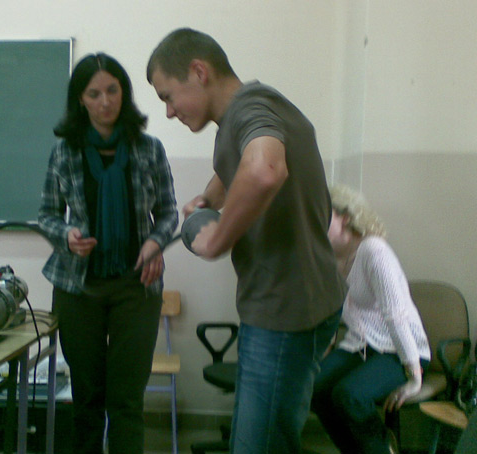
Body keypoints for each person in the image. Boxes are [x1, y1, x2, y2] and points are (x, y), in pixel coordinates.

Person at [147, 28, 346, 454]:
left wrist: (218, 239)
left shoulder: (250, 109)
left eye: (168, 96)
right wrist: (210, 198)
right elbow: (242, 164)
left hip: (284, 314)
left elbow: (264, 170)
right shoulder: (250, 110)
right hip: (296, 302)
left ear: (199, 71)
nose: (168, 111)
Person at [38, 52, 178, 454]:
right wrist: (67, 235)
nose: (105, 101)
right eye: (94, 93)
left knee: (127, 401)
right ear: (80, 100)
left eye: (112, 90)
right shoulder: (64, 152)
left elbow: (169, 212)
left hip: (137, 287)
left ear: (124, 92)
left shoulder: (149, 149)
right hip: (78, 288)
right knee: (87, 400)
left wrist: (156, 242)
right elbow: (47, 215)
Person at [311, 184, 431, 454]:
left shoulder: (374, 251)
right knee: (314, 388)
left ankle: (381, 447)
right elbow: (330, 314)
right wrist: (323, 356)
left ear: (346, 218)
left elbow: (396, 315)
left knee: (349, 395)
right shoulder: (330, 259)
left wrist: (414, 377)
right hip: (360, 346)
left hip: (401, 350)